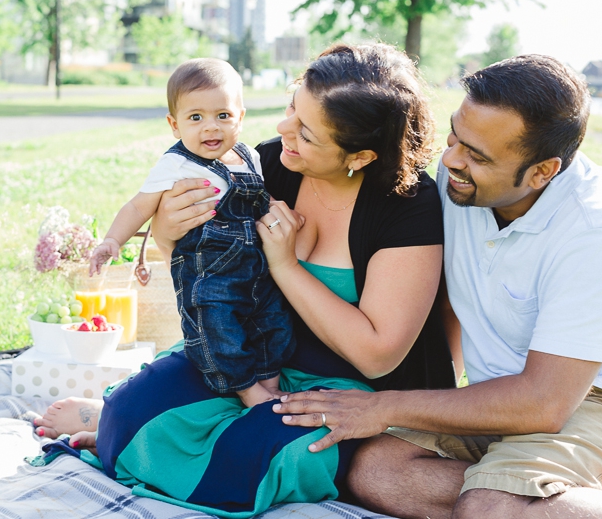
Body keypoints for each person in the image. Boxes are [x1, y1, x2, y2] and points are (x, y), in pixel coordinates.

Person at [33, 43, 456, 517]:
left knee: (261, 457)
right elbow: (208, 270)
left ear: (359, 155)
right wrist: (171, 234)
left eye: (307, 132)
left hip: (347, 387)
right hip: (251, 356)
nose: (282, 130)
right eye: (292, 107)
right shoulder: (268, 165)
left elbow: (377, 356)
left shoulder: (407, 207)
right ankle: (111, 419)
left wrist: (286, 267)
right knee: (128, 419)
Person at [273, 54, 602, 519]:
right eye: (455, 137)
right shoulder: (460, 181)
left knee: (489, 507)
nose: (450, 160)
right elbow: (447, 298)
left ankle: (510, 500)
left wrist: (383, 407)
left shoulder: (597, 233)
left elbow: (546, 403)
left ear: (543, 171)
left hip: (594, 404)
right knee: (372, 471)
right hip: (494, 396)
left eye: (477, 156)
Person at [88, 57, 294, 407]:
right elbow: (140, 206)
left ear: (240, 117)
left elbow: (261, 199)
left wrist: (281, 214)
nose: (210, 127)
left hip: (256, 270)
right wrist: (113, 239)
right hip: (208, 275)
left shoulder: (249, 158)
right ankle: (248, 391)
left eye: (223, 116)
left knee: (273, 324)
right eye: (195, 118)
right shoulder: (176, 164)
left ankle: (270, 383)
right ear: (174, 124)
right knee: (218, 331)